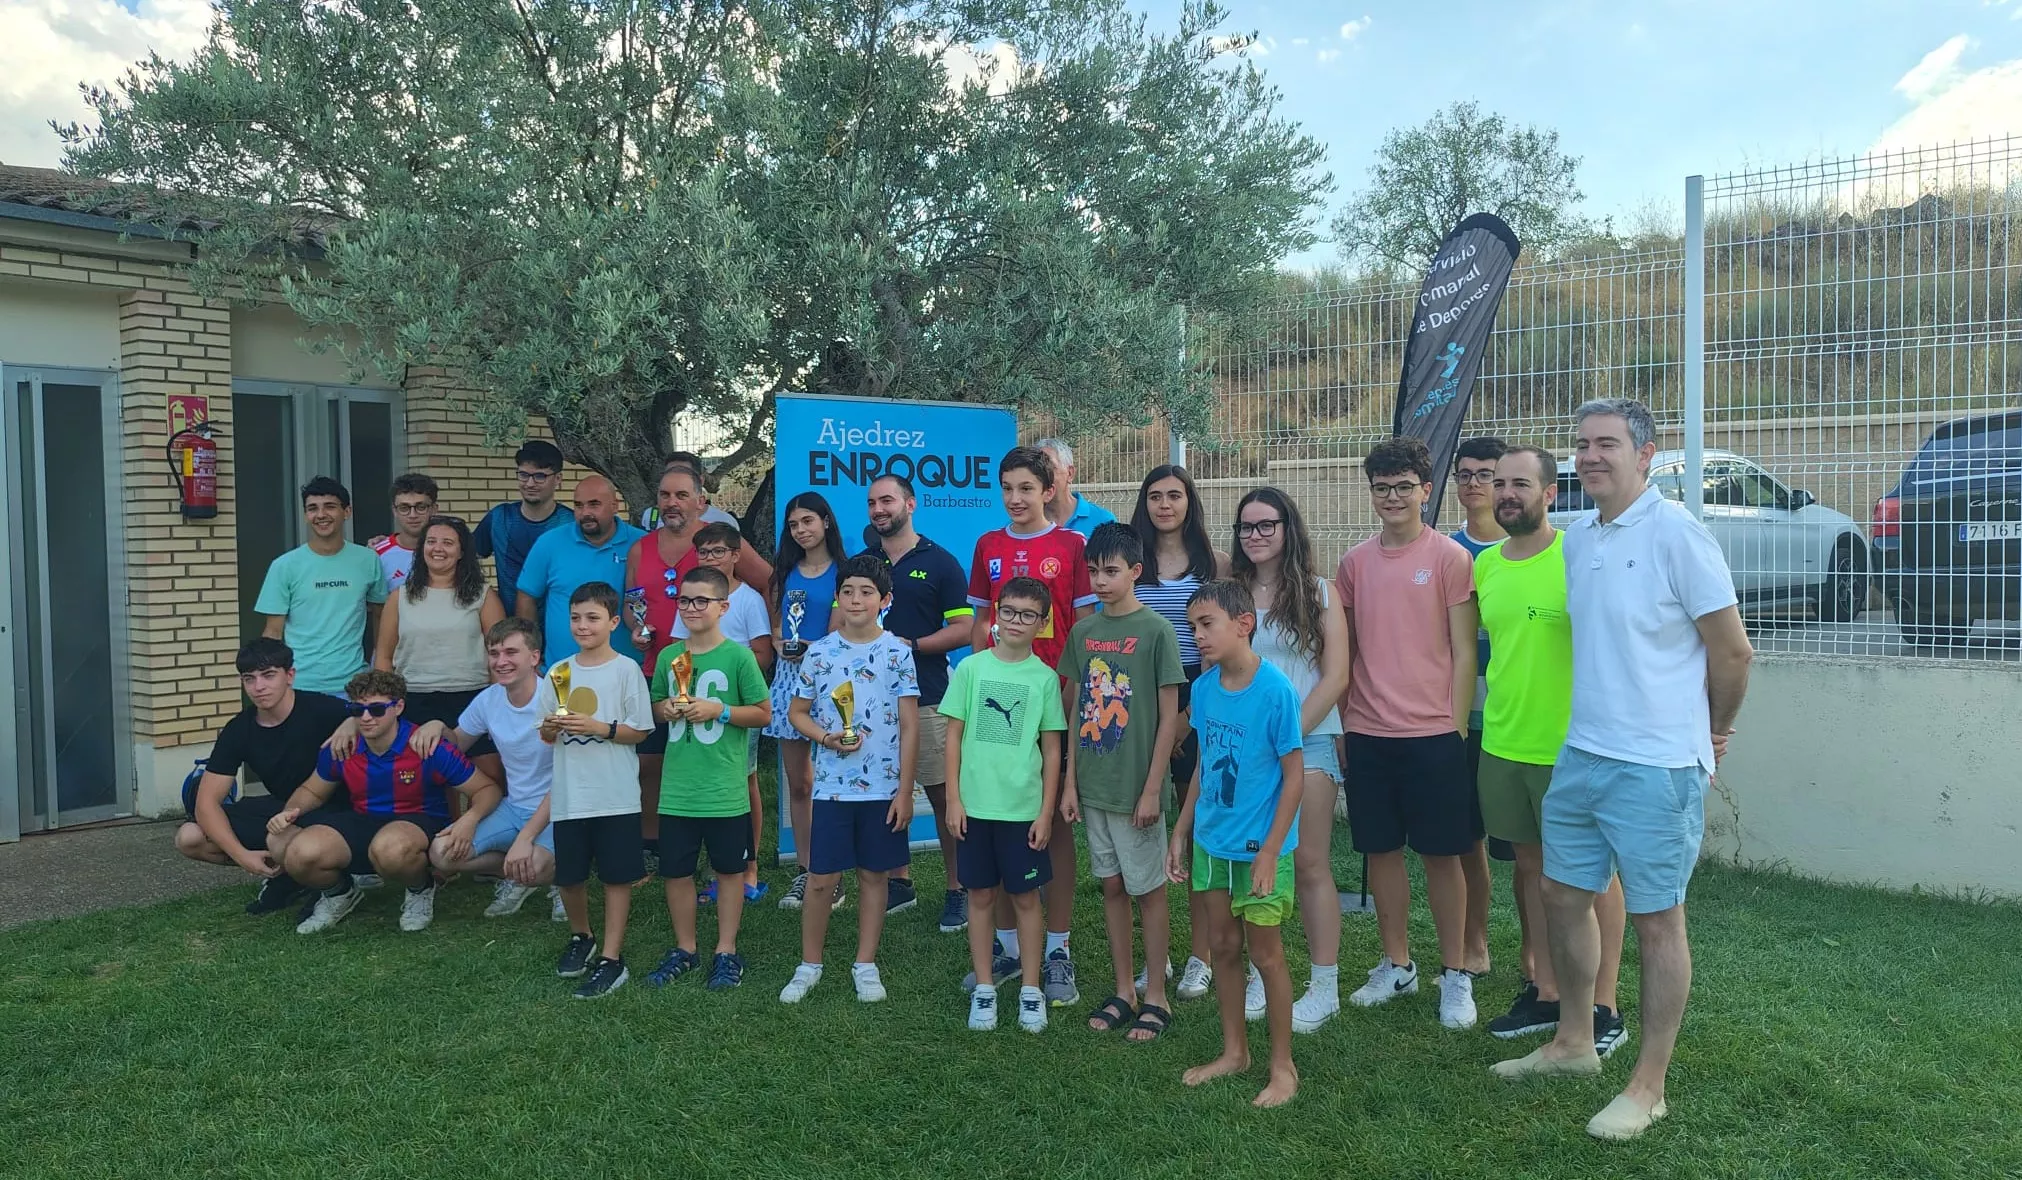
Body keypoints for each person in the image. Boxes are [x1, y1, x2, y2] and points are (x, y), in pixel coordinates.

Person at [1490, 399, 1753, 1143]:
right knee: (1561, 896)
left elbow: (1732, 651)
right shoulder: (1578, 539)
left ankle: (1649, 1085)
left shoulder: (1679, 535)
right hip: (1583, 753)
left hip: (1656, 766)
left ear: (1646, 453)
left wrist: (1714, 729)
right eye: (1581, 445)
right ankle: (1574, 1042)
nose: (1590, 456)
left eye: (1606, 443)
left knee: (1656, 922)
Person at [1472, 445, 1629, 1051]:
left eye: (1519, 483)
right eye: (1496, 482)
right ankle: (1547, 992)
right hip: (1504, 744)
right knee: (1535, 875)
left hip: (1573, 748)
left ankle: (1603, 1006)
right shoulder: (1486, 566)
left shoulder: (1579, 555)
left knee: (1594, 880)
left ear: (1549, 494)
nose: (1505, 492)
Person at [1334, 438, 1482, 1029]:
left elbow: (1465, 651)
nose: (1393, 497)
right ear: (1371, 494)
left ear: (1426, 490)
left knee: (1444, 855)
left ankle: (1456, 975)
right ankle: (1397, 963)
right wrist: (1345, 721)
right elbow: (1343, 653)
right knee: (1381, 853)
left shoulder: (1450, 558)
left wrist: (1454, 728)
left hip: (1433, 735)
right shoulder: (1353, 564)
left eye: (1404, 487)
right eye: (1381, 488)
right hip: (1368, 731)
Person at [966, 445, 1096, 1007]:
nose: (1016, 499)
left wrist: (1073, 700)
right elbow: (978, 625)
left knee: (1055, 821)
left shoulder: (1072, 546)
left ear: (1051, 491)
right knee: (995, 817)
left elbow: (1085, 630)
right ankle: (1009, 946)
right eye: (1007, 488)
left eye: (1027, 488)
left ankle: (1059, 947)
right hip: (998, 709)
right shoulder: (988, 546)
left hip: (1055, 705)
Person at [1168, 579, 1304, 1109]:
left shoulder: (1275, 692)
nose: (1197, 636)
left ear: (1243, 623)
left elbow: (1294, 777)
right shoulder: (1202, 690)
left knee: (1266, 956)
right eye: (1193, 626)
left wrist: (1271, 850)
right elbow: (1203, 767)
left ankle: (1283, 1066)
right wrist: (1181, 829)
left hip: (1259, 851)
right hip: (1211, 846)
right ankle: (1234, 1052)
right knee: (1222, 947)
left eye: (1207, 624)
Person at [1229, 487, 1350, 1032]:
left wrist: (1286, 737)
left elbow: (1336, 676)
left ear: (1288, 529)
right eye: (1246, 527)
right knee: (1257, 861)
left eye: (1265, 525)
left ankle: (1324, 986)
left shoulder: (1322, 593)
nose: (1254, 536)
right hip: (1244, 750)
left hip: (1310, 741)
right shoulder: (1230, 595)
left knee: (1308, 863)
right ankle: (1261, 973)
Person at [1063, 525, 1185, 1041]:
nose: (1101, 580)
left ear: (1136, 571)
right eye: (1094, 571)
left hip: (1137, 790)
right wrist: (1068, 783)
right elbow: (1073, 712)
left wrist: (1153, 787)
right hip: (1092, 787)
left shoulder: (1156, 631)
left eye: (1111, 571)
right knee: (1110, 885)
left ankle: (1156, 993)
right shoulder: (1083, 632)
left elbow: (1169, 714)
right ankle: (1124, 989)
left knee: (1148, 890)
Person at [264, 669, 501, 934]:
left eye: (376, 709)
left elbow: (487, 789)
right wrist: (289, 812)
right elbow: (314, 790)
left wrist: (468, 820)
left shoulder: (425, 744)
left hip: (417, 819)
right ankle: (339, 893)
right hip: (364, 819)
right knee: (298, 852)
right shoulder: (345, 745)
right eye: (357, 709)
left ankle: (420, 888)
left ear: (398, 706)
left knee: (390, 849)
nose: (365, 718)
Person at [782, 555, 920, 1005]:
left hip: (883, 788)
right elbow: (796, 713)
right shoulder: (820, 653)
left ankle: (865, 962)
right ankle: (809, 963)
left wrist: (904, 790)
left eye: (866, 592)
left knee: (874, 876)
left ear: (885, 600)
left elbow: (910, 725)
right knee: (822, 878)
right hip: (832, 789)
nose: (856, 600)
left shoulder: (897, 652)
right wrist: (826, 736)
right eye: (848, 592)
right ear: (838, 597)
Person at [943, 576, 1069, 1033]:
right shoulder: (972, 669)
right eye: (1009, 611)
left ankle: (1031, 989)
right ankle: (984, 988)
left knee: (1025, 898)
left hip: (1022, 811)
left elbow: (1052, 749)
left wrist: (1045, 811)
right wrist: (953, 799)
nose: (1016, 621)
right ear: (996, 613)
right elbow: (953, 737)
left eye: (1028, 615)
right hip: (974, 809)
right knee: (979, 894)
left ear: (1042, 623)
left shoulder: (1044, 679)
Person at [625, 462, 771, 853]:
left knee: (741, 775)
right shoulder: (642, 547)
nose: (672, 502)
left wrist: (775, 639)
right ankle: (661, 844)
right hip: (666, 676)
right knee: (658, 761)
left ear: (701, 502)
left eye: (681, 495)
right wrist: (636, 629)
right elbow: (633, 600)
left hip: (729, 694)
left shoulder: (722, 551)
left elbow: (767, 583)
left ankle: (743, 858)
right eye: (665, 495)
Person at [643, 566, 773, 992]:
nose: (692, 608)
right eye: (684, 600)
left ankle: (726, 949)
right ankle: (685, 947)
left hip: (724, 788)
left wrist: (719, 710)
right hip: (678, 788)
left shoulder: (738, 657)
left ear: (723, 606)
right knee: (677, 872)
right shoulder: (669, 657)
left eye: (702, 600)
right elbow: (657, 704)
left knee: (728, 871)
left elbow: (763, 711)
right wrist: (668, 709)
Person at [1129, 463, 1230, 1001]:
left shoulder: (1215, 564)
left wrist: (1192, 717)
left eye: (1175, 495)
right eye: (1155, 496)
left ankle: (1200, 955)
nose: (1164, 505)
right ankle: (1156, 955)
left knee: (1195, 828)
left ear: (1190, 502)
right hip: (1141, 698)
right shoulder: (1132, 561)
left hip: (1199, 697)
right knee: (1144, 826)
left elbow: (1224, 637)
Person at [858, 474, 975, 930]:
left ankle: (958, 886)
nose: (878, 509)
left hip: (926, 695)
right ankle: (899, 882)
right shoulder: (862, 562)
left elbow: (964, 629)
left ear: (910, 503)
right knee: (885, 793)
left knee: (943, 794)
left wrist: (911, 646)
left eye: (887, 500)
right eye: (871, 503)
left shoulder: (940, 562)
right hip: (870, 701)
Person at [174, 639, 354, 914]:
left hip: (338, 811)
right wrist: (242, 857)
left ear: (289, 675)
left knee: (287, 839)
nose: (259, 687)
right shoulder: (239, 729)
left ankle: (337, 888)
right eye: (250, 679)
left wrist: (351, 722)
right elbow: (206, 803)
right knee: (190, 836)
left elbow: (381, 715)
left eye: (269, 675)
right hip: (284, 809)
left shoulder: (322, 709)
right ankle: (288, 877)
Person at [405, 618, 565, 922]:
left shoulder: (556, 702)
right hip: (514, 807)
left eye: (510, 652)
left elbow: (566, 783)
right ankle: (516, 873)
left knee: (536, 864)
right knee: (441, 852)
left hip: (556, 810)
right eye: (494, 653)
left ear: (534, 657)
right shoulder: (489, 699)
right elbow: (457, 744)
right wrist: (438, 725)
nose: (500, 661)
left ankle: (556, 881)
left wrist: (525, 838)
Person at [541, 582, 655, 1000]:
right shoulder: (558, 672)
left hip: (615, 795)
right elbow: (544, 734)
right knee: (569, 877)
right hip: (571, 795)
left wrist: (599, 728)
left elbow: (640, 731)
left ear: (612, 622)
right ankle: (580, 935)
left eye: (592, 618)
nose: (582, 625)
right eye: (575, 617)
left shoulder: (625, 670)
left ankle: (612, 956)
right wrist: (551, 727)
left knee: (616, 877)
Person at [679, 523, 775, 903]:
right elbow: (681, 651)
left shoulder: (749, 600)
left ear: (737, 556)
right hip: (697, 710)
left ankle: (748, 866)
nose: (711, 559)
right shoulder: (690, 600)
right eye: (704, 552)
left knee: (744, 781)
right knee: (708, 782)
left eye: (719, 551)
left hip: (738, 709)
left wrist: (728, 691)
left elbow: (763, 654)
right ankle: (718, 863)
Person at [372, 515, 506, 784]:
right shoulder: (400, 597)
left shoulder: (483, 595)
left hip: (471, 699)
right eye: (431, 542)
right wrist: (385, 705)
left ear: (461, 552)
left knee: (490, 778)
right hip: (414, 700)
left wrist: (498, 706)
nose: (438, 548)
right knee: (422, 781)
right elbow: (384, 656)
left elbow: (499, 656)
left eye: (448, 542)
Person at [766, 492, 846, 910]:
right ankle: (806, 869)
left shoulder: (843, 573)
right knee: (800, 783)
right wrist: (783, 644)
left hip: (832, 682)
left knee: (835, 783)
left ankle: (833, 874)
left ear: (826, 522)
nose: (801, 530)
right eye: (794, 524)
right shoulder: (783, 574)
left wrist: (811, 647)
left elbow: (841, 632)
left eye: (808, 521)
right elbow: (777, 629)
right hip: (789, 682)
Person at [1449, 438, 1508, 983]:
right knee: (1470, 837)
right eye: (1464, 474)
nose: (1473, 483)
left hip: (1518, 710)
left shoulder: (1530, 546)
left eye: (1485, 474)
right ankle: (1475, 940)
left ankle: (1537, 956)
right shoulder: (1447, 550)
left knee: (1527, 847)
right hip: (1462, 709)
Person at [255, 477, 388, 696]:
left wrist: (379, 674)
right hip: (299, 685)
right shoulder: (284, 566)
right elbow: (273, 632)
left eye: (330, 507)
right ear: (306, 515)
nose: (321, 515)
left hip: (354, 686)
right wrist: (271, 685)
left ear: (347, 511)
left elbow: (381, 619)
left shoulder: (368, 560)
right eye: (312, 508)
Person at [516, 474, 648, 664]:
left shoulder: (641, 544)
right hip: (563, 672)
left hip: (626, 671)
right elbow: (526, 596)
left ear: (614, 505)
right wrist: (531, 653)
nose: (585, 512)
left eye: (594, 504)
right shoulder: (550, 543)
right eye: (578, 505)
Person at [475, 441, 574, 611]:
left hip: (559, 627)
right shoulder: (499, 518)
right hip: (509, 629)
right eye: (523, 475)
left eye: (539, 476)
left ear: (558, 479)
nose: (529, 484)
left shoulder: (571, 523)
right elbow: (466, 555)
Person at [637, 450, 739, 531]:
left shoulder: (724, 521)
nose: (672, 503)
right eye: (670, 473)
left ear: (700, 480)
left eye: (684, 473)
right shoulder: (651, 516)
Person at [1034, 438, 1118, 536]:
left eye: (1049, 467)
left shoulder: (1103, 521)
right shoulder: (1025, 524)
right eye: (1036, 469)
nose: (1041, 475)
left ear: (1070, 473)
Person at [373, 473, 439, 594]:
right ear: (394, 511)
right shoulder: (376, 554)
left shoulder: (449, 552)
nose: (413, 515)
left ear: (434, 509)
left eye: (421, 507)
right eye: (404, 508)